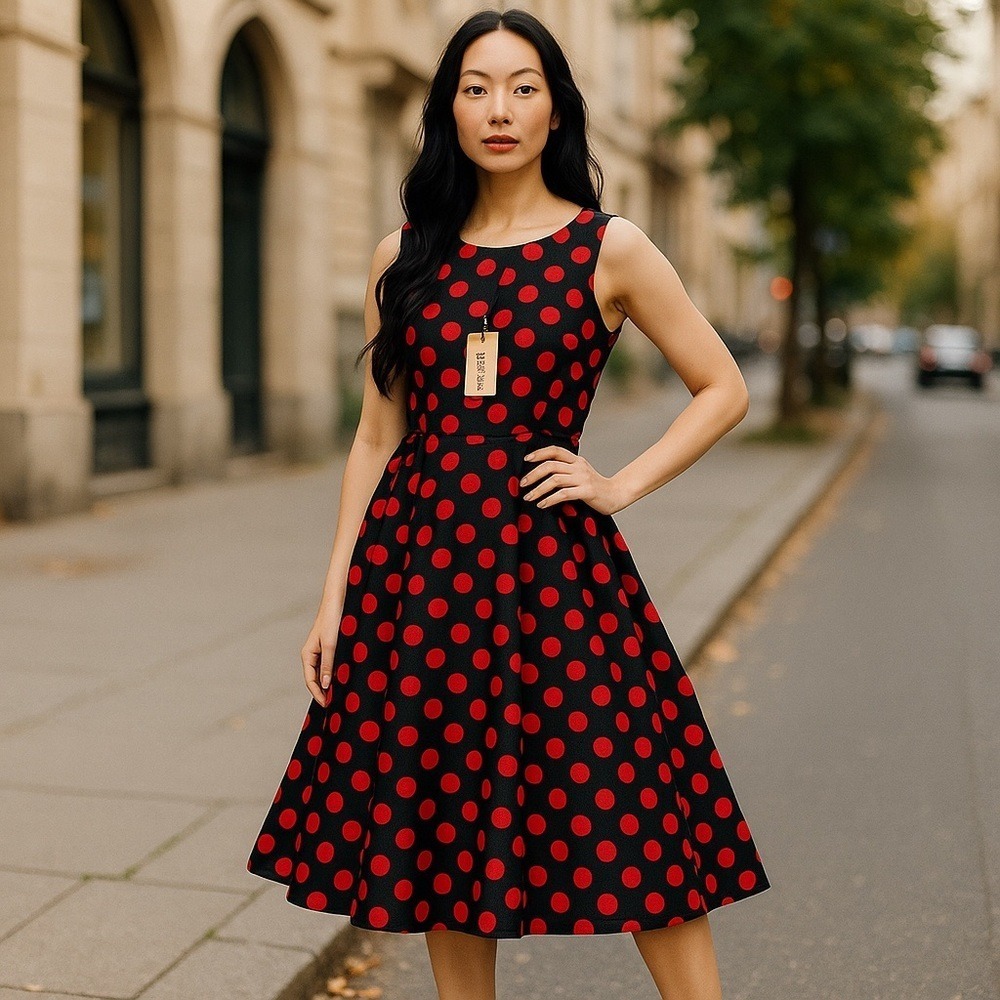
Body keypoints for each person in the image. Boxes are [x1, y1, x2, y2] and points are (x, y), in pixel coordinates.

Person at [246, 8, 770, 999]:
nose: (499, 109)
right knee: (440, 837)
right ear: (449, 108)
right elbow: (376, 437)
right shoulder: (404, 253)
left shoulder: (608, 247)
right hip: (418, 583)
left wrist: (617, 484)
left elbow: (723, 387)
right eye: (477, 87)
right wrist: (334, 594)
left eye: (523, 88)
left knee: (637, 818)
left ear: (555, 110)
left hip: (559, 579)